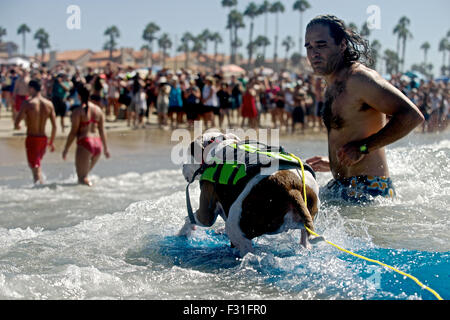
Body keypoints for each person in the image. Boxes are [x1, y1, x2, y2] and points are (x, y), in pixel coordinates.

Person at [304, 15, 424, 202]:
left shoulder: (359, 79)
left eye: (321, 45)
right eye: (309, 47)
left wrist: (363, 147)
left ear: (342, 45)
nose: (314, 53)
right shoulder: (332, 85)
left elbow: (412, 116)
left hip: (370, 189)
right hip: (342, 185)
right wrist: (334, 163)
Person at [62, 83, 110, 186]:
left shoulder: (78, 111)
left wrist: (66, 149)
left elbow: (73, 132)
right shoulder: (98, 110)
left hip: (85, 143)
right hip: (98, 144)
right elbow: (102, 130)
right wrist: (106, 148)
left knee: (82, 179)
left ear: (78, 95)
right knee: (85, 176)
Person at [14, 80, 57, 184]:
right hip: (44, 139)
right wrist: (51, 142)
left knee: (35, 168)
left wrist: (19, 126)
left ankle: (39, 189)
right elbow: (55, 126)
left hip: (32, 138)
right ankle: (40, 185)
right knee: (37, 165)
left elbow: (16, 123)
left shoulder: (28, 103)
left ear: (31, 88)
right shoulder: (49, 104)